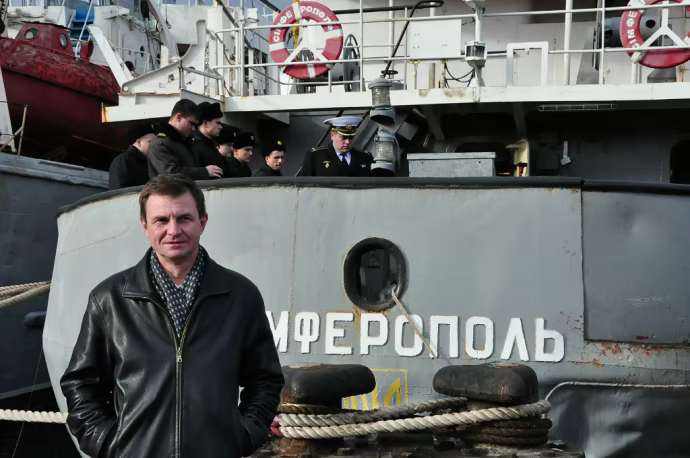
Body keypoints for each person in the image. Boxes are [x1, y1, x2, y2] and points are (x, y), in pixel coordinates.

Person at [60, 174, 285, 458]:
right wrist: (108, 444)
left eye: (184, 218)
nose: (173, 230)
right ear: (145, 226)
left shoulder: (240, 296)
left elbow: (265, 379)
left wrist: (244, 435)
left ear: (202, 222)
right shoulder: (110, 299)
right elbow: (81, 384)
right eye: (161, 220)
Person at [148, 99, 223, 180]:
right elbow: (170, 174)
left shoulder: (186, 141)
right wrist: (204, 172)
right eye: (191, 123)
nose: (193, 129)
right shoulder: (160, 143)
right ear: (179, 117)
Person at [299, 116, 372, 177]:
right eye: (343, 137)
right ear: (332, 136)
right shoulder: (315, 156)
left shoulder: (365, 157)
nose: (347, 142)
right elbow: (304, 184)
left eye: (351, 138)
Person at [108, 122, 155, 189]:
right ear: (139, 142)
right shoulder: (123, 160)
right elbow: (118, 190)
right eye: (150, 142)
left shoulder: (148, 161)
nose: (154, 145)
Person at [192, 101, 225, 172]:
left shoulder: (211, 144)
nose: (221, 127)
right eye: (217, 123)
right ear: (205, 123)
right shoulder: (194, 146)